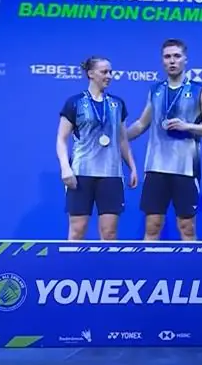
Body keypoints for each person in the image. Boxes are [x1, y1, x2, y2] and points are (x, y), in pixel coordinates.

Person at [125, 39, 202, 241]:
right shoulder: (155, 90)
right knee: (152, 226)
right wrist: (118, 139)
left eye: (177, 56)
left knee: (187, 227)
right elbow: (141, 124)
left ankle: (190, 263)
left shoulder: (200, 91)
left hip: (185, 169)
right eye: (167, 57)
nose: (172, 61)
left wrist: (187, 126)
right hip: (156, 167)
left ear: (185, 59)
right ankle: (148, 263)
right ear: (162, 61)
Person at [56, 56, 139, 241]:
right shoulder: (74, 103)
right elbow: (61, 139)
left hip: (111, 174)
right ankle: (72, 262)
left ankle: (107, 263)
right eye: (104, 72)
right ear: (91, 74)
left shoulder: (118, 104)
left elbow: (122, 139)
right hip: (81, 174)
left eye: (110, 72)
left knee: (109, 233)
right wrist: (65, 168)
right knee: (77, 231)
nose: (109, 76)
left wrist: (132, 167)